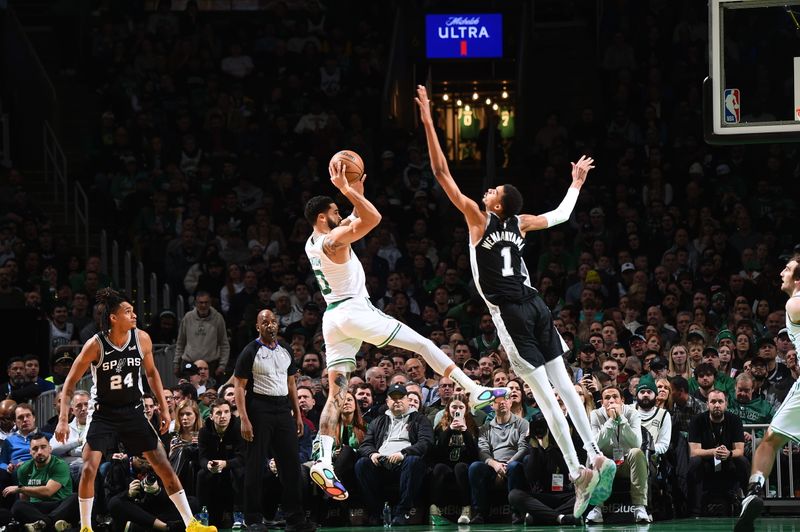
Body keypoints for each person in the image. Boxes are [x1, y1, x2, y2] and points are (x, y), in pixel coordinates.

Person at [416, 84, 615, 518]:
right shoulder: (521, 224)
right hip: (538, 306)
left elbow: (442, 174)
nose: (485, 191)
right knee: (566, 386)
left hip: (510, 312)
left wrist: (431, 122)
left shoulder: (478, 220)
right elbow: (562, 215)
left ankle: (580, 471)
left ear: (497, 204)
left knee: (546, 397)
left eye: (491, 191)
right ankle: (597, 453)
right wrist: (576, 183)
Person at [304, 161, 508, 500]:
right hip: (355, 310)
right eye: (336, 211)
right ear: (324, 218)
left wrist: (355, 192)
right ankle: (474, 390)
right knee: (425, 345)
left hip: (333, 318)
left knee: (336, 394)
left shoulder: (315, 240)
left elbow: (358, 216)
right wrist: (347, 189)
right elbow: (372, 220)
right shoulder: (332, 241)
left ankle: (322, 460)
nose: (341, 214)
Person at [54, 287, 216, 532]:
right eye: (128, 312)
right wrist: (63, 420)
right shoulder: (95, 344)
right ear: (113, 317)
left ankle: (191, 522)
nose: (134, 315)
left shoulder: (141, 338)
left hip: (133, 410)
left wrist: (163, 408)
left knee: (162, 464)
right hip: (104, 412)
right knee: (88, 468)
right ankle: (86, 527)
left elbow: (151, 374)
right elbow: (69, 383)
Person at [232, 309, 316, 532]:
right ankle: (253, 519)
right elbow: (238, 387)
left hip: (283, 409)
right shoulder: (250, 351)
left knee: (290, 464)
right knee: (255, 465)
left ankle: (295, 518)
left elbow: (291, 385)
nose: (270, 325)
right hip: (259, 407)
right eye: (265, 322)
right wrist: (244, 419)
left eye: (273, 321)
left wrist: (297, 414)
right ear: (258, 327)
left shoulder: (286, 349)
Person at [737, 255, 800, 531]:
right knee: (770, 439)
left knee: (770, 442)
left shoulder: (794, 301)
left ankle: (754, 490)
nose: (781, 272)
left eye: (786, 269)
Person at [354, 383, 433, 525]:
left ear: (408, 400)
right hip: (381, 462)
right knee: (362, 464)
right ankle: (376, 513)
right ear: (387, 402)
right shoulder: (378, 421)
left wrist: (403, 453)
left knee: (413, 461)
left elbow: (425, 442)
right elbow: (365, 444)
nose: (397, 401)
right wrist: (372, 454)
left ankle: (402, 512)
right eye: (393, 398)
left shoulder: (420, 419)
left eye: (401, 398)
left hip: (405, 461)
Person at [587, 385, 651, 523]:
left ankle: (639, 507)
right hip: (606, 466)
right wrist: (611, 421)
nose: (611, 401)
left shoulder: (632, 413)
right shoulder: (595, 415)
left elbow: (636, 443)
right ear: (602, 402)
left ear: (622, 400)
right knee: (595, 455)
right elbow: (595, 445)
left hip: (627, 464)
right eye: (607, 398)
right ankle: (597, 509)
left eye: (615, 396)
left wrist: (621, 419)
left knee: (636, 452)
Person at [688, 389, 747, 517]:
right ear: (707, 404)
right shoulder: (697, 420)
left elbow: (740, 450)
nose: (717, 405)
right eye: (713, 401)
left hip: (727, 462)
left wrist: (728, 454)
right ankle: (694, 511)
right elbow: (694, 451)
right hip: (706, 463)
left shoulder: (735, 420)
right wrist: (713, 452)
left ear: (726, 403)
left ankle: (749, 504)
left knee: (742, 460)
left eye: (720, 401)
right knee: (694, 461)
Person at [3, 432, 78, 530]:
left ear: (50, 449)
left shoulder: (60, 465)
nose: (39, 452)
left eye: (43, 447)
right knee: (18, 505)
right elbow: (24, 498)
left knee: (75, 497)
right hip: (37, 508)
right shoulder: (24, 469)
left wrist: (20, 488)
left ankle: (43, 524)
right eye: (35, 449)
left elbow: (48, 491)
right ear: (30, 452)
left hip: (59, 505)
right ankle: (55, 525)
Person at [428, 394, 479, 525]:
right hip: (446, 466)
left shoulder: (473, 426)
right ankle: (434, 510)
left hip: (464, 466)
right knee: (438, 468)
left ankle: (466, 508)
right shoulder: (441, 427)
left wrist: (466, 433)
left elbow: (475, 454)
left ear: (466, 409)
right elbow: (437, 454)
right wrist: (449, 431)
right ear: (448, 408)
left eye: (461, 407)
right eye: (454, 407)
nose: (457, 410)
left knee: (460, 467)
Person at [196, 399, 244, 528]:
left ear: (230, 414)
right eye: (218, 413)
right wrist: (208, 465)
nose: (223, 416)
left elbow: (242, 458)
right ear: (211, 416)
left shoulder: (239, 428)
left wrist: (226, 464)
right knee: (202, 475)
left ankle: (239, 515)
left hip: (233, 465)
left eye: (226, 412)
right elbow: (202, 458)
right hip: (214, 467)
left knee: (238, 472)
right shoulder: (204, 431)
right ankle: (203, 515)